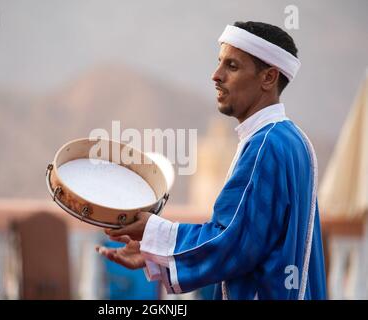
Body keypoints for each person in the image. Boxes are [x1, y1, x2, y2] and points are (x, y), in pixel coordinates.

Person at [96, 21, 327, 300]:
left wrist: (153, 231)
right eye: (220, 63)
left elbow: (232, 240)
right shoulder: (295, 141)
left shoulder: (266, 144)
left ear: (268, 78)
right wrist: (152, 254)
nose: (216, 75)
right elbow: (255, 238)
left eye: (232, 66)